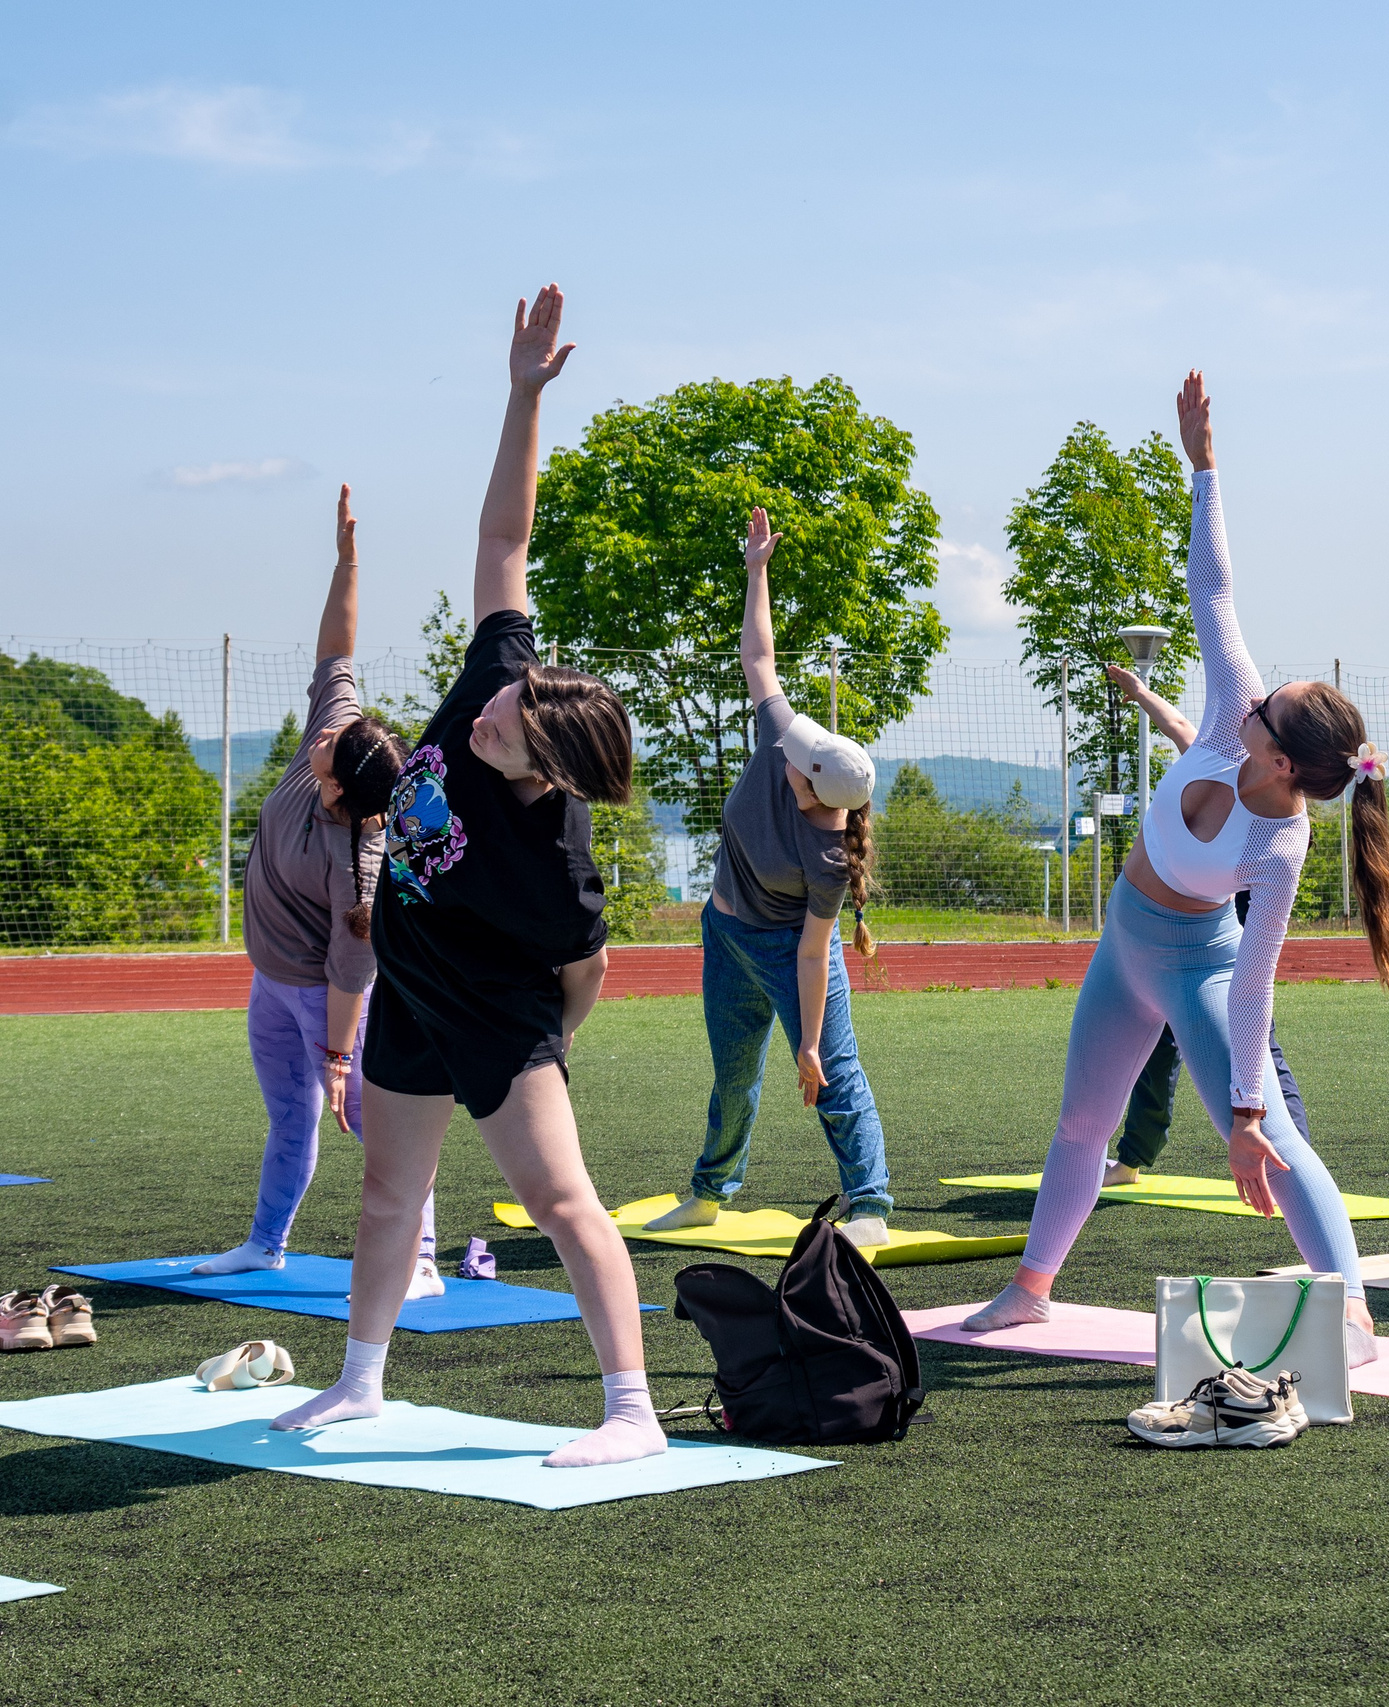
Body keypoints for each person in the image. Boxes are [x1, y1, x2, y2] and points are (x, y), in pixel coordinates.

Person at [272, 285, 663, 1468]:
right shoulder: (503, 679)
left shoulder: (556, 864)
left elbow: (584, 972)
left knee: (561, 1201)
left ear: (547, 770)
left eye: (501, 727)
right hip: (413, 990)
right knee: (388, 1196)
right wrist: (520, 397)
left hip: (497, 1014)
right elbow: (505, 541)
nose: (481, 713)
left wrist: (545, 1042)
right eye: (494, 701)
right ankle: (359, 1383)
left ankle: (630, 1413)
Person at [960, 371, 1389, 1359]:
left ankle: (1345, 1304)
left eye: (1267, 708)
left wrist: (1247, 1115)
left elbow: (1253, 987)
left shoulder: (1280, 844)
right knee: (1082, 1126)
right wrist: (1204, 468)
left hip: (1198, 966)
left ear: (1281, 760)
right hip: (1123, 946)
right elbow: (1212, 591)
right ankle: (1032, 1289)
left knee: (1276, 1142)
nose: (1253, 699)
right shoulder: (1228, 709)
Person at [195, 485, 441, 1298]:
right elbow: (337, 649)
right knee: (288, 1118)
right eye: (331, 735)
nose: (322, 742)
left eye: (329, 757)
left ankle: (426, 1258)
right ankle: (266, 1244)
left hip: (328, 997)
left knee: (379, 1121)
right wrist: (347, 562)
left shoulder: (358, 871)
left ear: (343, 798)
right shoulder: (338, 739)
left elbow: (351, 974)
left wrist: (339, 1057)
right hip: (271, 980)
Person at [643, 507, 892, 1242]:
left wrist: (809, 1042)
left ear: (812, 789)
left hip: (788, 952)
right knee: (732, 1077)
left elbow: (815, 953)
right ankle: (709, 1190)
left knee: (836, 1075)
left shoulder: (826, 857)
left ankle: (870, 1207)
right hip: (723, 934)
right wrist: (756, 570)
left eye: (801, 756)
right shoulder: (784, 736)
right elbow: (760, 658)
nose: (791, 742)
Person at [1094, 661, 1309, 1189]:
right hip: (1174, 940)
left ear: (1283, 762)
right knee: (1155, 1050)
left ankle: (1294, 1164)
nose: (1249, 714)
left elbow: (1256, 981)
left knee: (1257, 1050)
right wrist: (1143, 694)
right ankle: (1131, 1159)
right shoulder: (1226, 768)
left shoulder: (1280, 830)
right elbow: (1183, 731)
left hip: (1220, 939)